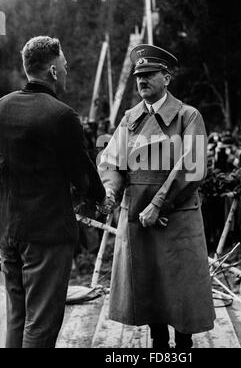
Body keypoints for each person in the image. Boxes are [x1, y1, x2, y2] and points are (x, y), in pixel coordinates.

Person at [98, 44, 215, 349]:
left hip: (176, 216)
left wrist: (159, 202)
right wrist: (110, 190)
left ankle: (184, 347)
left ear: (167, 78)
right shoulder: (130, 119)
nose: (142, 80)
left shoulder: (188, 116)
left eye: (150, 74)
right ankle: (159, 347)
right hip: (139, 217)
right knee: (149, 286)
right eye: (139, 75)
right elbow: (113, 161)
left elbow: (194, 165)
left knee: (180, 291)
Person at [0, 36, 106, 348]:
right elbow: (82, 173)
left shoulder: (0, 108)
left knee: (16, 317)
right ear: (53, 71)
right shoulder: (61, 115)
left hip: (7, 230)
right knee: (41, 325)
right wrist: (101, 199)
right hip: (46, 233)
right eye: (65, 64)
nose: (67, 70)